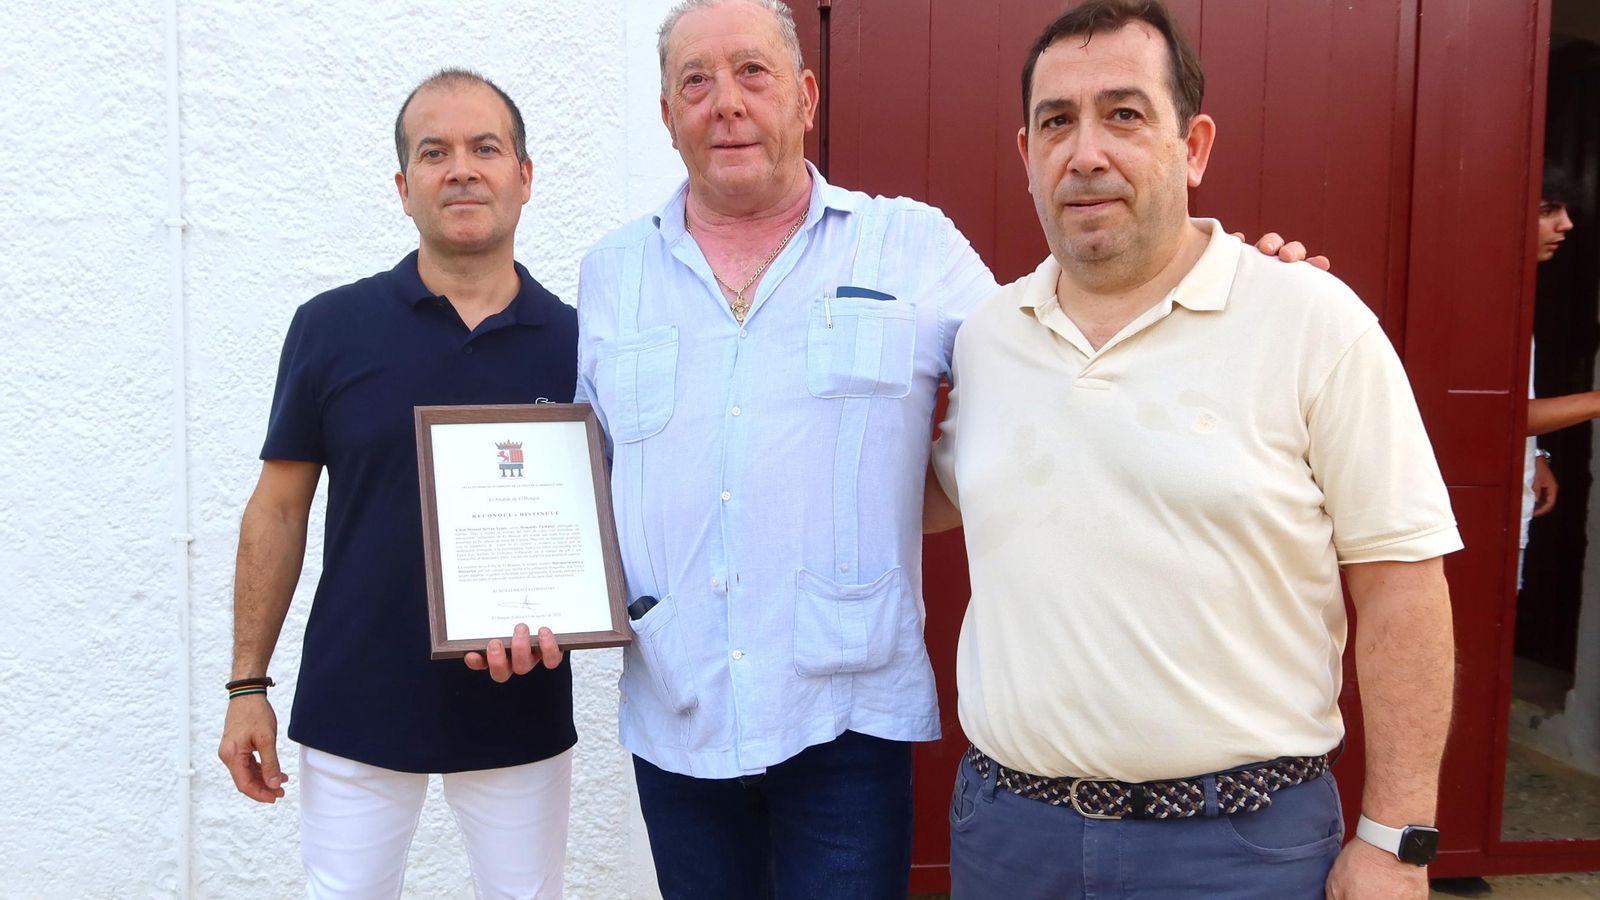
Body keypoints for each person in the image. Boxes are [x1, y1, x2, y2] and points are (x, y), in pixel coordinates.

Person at [472, 2, 1319, 895]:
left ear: (804, 96)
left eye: (753, 74)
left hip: (845, 717)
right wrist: (525, 596)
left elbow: (1059, 348)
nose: (726, 102)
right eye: (696, 81)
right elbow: (584, 475)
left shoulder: (911, 245)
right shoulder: (613, 272)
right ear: (666, 115)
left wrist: (1222, 287)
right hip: (679, 713)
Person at [928, 2, 1460, 898]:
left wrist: (1395, 838)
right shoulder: (987, 337)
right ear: (1026, 158)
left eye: (1125, 115)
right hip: (1011, 841)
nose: (1086, 152)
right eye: (1056, 121)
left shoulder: (1311, 322)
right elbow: (936, 496)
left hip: (1243, 851)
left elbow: (1402, 584)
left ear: (1196, 146)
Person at [217, 69, 576, 899]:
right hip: (357, 700)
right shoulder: (330, 328)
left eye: (486, 148)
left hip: (520, 697)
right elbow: (277, 509)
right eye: (433, 152)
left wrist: (595, 616)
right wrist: (246, 686)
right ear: (403, 186)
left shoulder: (581, 343)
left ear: (524, 177)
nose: (461, 169)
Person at [1520, 162, 1581, 575]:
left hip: (1514, 494)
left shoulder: (1515, 288)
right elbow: (1502, 417)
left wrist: (1534, 456)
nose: (1567, 224)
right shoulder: (1485, 297)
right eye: (1547, 211)